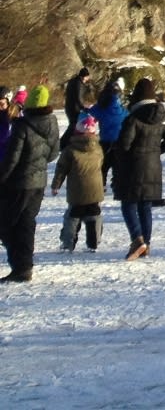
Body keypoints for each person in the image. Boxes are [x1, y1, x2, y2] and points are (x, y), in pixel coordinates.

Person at [0, 83, 60, 281]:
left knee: (9, 223)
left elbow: (13, 158)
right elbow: (53, 154)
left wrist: (2, 177)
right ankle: (24, 267)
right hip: (38, 182)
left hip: (19, 183)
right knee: (26, 223)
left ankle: (20, 266)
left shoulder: (22, 125)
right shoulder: (52, 122)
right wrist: (37, 163)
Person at [113, 77, 165, 260]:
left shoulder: (133, 119)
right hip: (153, 166)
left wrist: (118, 158)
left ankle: (137, 239)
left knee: (128, 203)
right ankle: (146, 244)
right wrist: (156, 151)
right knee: (145, 206)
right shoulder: (164, 118)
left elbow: (124, 144)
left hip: (133, 166)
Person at [52, 113, 105, 253]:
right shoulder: (98, 149)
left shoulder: (70, 150)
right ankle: (94, 243)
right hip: (95, 188)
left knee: (73, 217)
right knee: (94, 215)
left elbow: (61, 169)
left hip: (77, 190)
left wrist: (56, 185)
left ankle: (68, 243)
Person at [89, 78, 129, 189]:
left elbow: (90, 112)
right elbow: (129, 115)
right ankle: (117, 183)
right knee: (118, 165)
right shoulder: (122, 110)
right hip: (119, 140)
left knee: (103, 165)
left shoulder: (101, 109)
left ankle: (101, 184)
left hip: (105, 140)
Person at [62, 66, 93, 143]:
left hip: (70, 106)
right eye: (87, 76)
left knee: (73, 126)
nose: (88, 78)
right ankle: (63, 143)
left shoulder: (74, 81)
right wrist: (83, 107)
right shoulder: (78, 84)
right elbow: (78, 97)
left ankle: (66, 142)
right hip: (73, 108)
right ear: (84, 76)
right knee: (73, 126)